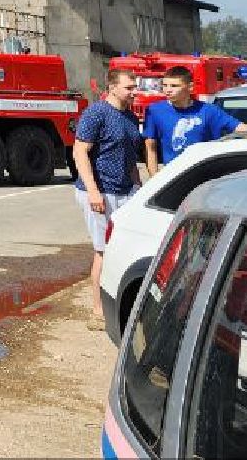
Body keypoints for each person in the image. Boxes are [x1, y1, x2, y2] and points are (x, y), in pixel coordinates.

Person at [72, 68, 143, 321]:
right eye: (129, 87)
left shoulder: (131, 118)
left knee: (125, 248)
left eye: (134, 87)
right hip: (100, 192)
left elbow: (131, 159)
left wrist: (139, 189)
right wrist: (93, 191)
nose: (133, 91)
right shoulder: (96, 113)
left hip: (126, 190)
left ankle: (123, 304)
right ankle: (98, 309)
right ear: (112, 88)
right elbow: (80, 152)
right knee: (104, 250)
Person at [141, 66, 243, 176]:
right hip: (173, 176)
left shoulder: (209, 110)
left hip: (205, 175)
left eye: (174, 86)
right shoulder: (155, 110)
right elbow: (150, 147)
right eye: (165, 85)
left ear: (190, 87)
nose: (168, 90)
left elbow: (241, 128)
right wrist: (154, 178)